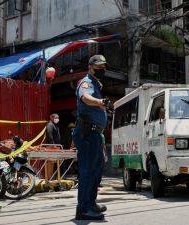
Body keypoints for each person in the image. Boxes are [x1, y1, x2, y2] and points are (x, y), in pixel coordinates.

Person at [73, 55, 110, 221]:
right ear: (90, 67)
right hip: (87, 133)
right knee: (87, 171)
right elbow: (86, 98)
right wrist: (100, 101)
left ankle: (90, 203)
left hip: (96, 134)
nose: (101, 70)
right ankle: (83, 209)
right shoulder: (86, 82)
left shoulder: (97, 84)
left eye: (103, 67)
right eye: (98, 67)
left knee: (96, 170)